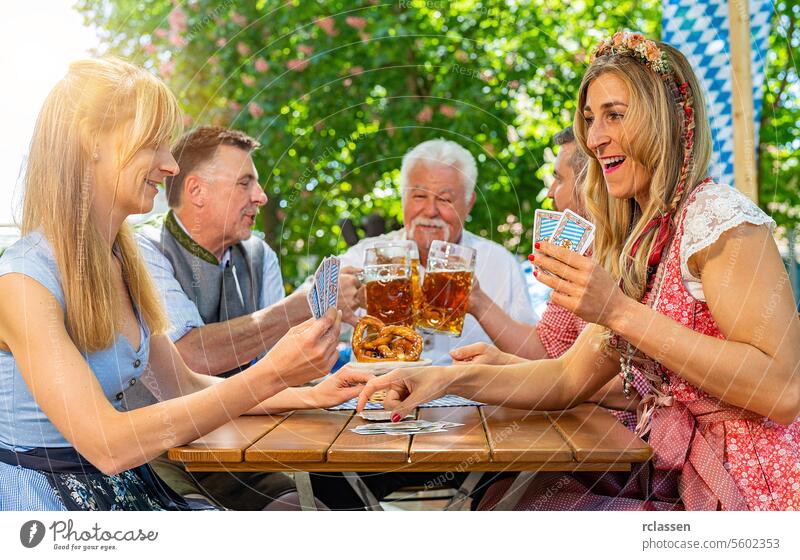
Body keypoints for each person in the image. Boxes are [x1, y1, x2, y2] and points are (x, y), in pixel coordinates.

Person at [356, 33, 800, 510]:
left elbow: (783, 390)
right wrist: (443, 380)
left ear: (665, 121)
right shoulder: (639, 240)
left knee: (520, 509)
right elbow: (567, 377)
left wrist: (617, 311)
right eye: (590, 119)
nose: (594, 138)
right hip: (674, 470)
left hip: (751, 485)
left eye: (615, 115)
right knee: (508, 501)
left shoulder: (719, 218)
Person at [0, 57, 367, 511]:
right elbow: (108, 445)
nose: (171, 165)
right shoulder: (21, 282)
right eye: (154, 145)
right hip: (53, 507)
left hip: (126, 491)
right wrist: (272, 373)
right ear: (91, 140)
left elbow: (184, 387)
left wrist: (307, 393)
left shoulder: (121, 262)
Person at [124, 126, 368, 509]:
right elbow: (190, 357)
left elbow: (276, 362)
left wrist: (320, 354)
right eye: (245, 183)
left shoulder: (258, 254)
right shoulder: (143, 249)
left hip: (250, 433)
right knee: (301, 507)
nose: (261, 196)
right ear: (196, 191)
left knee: (341, 502)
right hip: (161, 449)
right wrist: (304, 304)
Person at [466, 126, 641, 428]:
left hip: (626, 445)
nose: (549, 192)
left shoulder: (640, 253)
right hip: (580, 432)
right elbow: (547, 349)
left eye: (559, 179)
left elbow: (635, 389)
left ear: (593, 184)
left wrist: (509, 369)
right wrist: (478, 302)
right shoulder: (583, 251)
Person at [338, 138, 537, 365]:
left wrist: (480, 304)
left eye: (445, 199)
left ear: (469, 203)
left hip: (473, 399)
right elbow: (304, 317)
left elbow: (535, 358)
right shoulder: (366, 255)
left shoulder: (498, 261)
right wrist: (338, 300)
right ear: (403, 198)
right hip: (379, 395)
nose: (431, 211)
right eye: (419, 196)